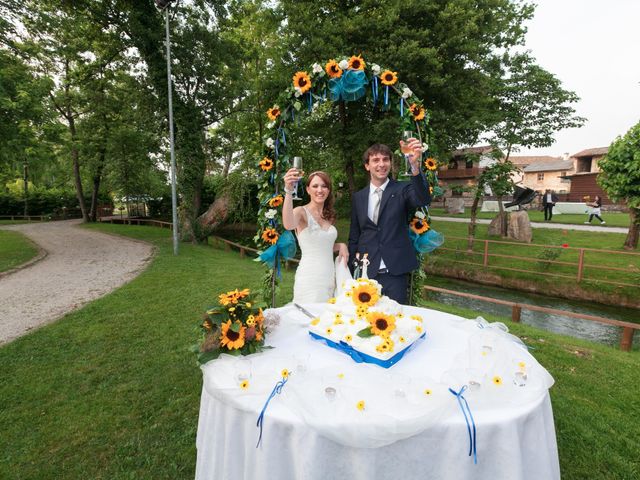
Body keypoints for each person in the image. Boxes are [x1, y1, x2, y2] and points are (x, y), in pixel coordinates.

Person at [348, 137, 430, 304]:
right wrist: (352, 268)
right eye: (375, 160)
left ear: (391, 163)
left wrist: (415, 166)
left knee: (395, 323)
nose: (381, 164)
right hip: (366, 272)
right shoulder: (358, 197)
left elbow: (423, 198)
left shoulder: (403, 189)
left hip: (395, 272)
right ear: (367, 166)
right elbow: (355, 235)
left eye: (386, 159)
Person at [282, 170, 349, 303]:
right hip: (309, 278)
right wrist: (288, 191)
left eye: (324, 186)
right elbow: (288, 224)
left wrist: (341, 245)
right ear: (308, 189)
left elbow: (321, 246)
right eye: (315, 186)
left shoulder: (329, 216)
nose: (320, 190)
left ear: (329, 190)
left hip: (330, 276)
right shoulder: (301, 212)